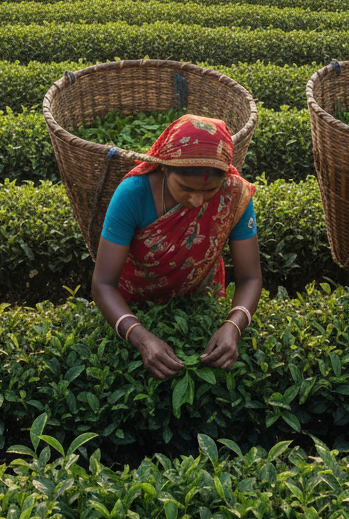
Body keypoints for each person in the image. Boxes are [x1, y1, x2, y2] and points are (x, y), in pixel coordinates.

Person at [92, 114, 263, 380]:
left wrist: (233, 326)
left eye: (209, 190)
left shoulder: (233, 194)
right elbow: (103, 284)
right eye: (185, 188)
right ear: (164, 168)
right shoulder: (133, 194)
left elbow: (250, 277)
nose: (197, 201)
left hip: (200, 303)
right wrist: (140, 337)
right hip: (134, 308)